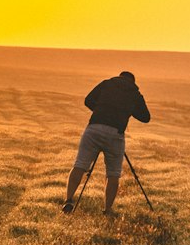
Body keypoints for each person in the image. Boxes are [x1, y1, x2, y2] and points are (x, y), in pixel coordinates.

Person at [62, 70, 150, 216]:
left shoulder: (107, 83)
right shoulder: (135, 93)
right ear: (132, 82)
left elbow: (88, 100)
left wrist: (102, 110)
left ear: (119, 77)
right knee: (113, 174)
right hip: (116, 133)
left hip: (94, 128)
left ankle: (68, 200)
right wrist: (126, 111)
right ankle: (107, 210)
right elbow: (145, 117)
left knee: (80, 165)